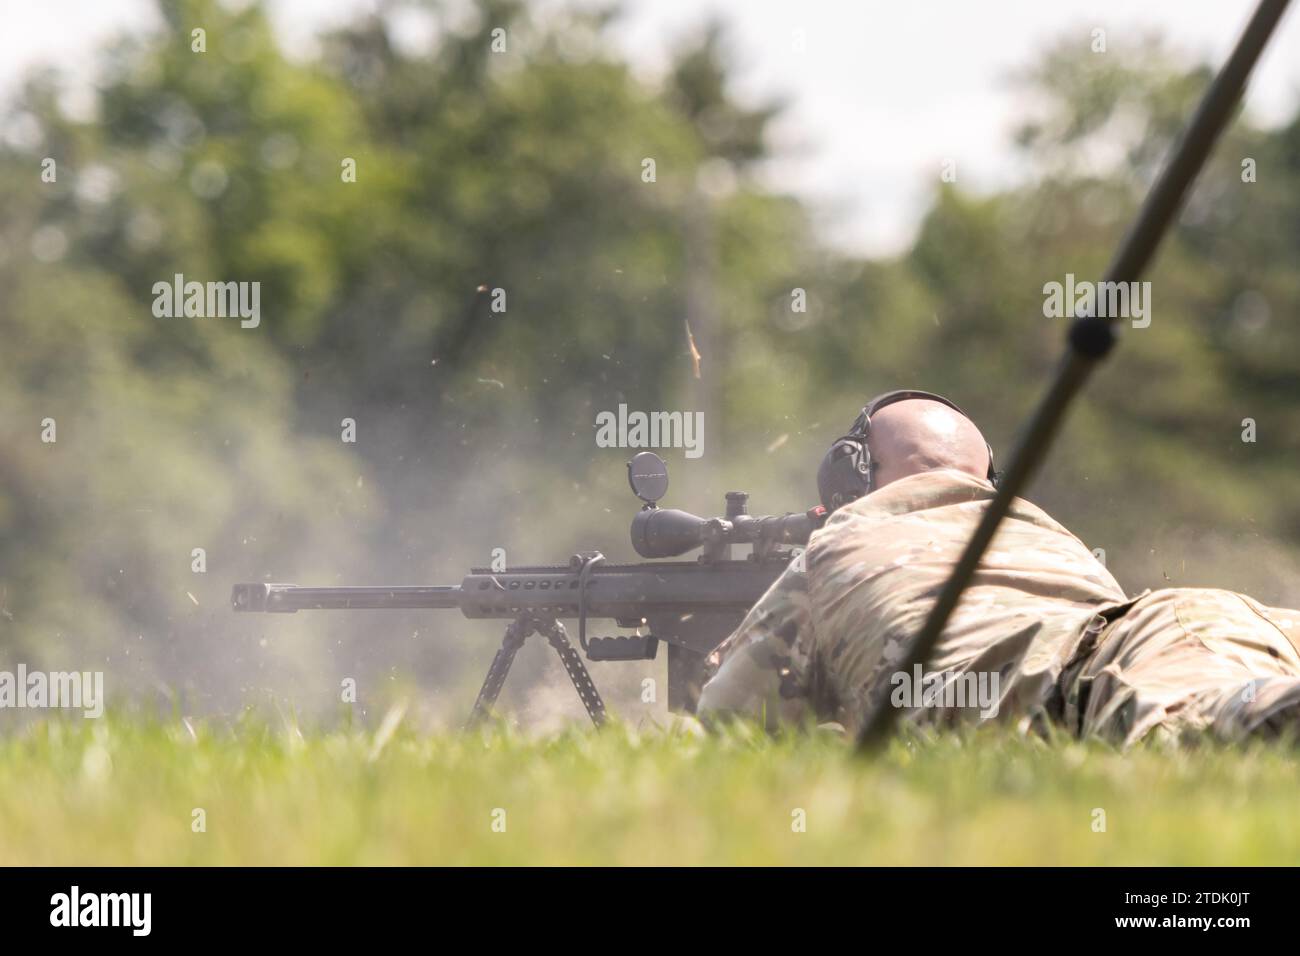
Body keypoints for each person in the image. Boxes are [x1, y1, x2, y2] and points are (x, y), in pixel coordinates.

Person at [696, 390, 1300, 747]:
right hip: (1195, 621)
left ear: (848, 476)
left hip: (1072, 682)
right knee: (1232, 699)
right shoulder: (1042, 531)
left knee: (1199, 734)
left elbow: (726, 729)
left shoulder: (836, 547)